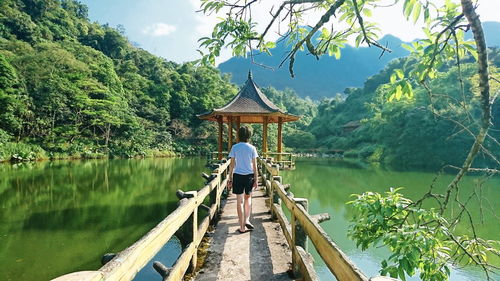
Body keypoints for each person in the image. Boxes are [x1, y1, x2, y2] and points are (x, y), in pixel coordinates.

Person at [227, 126, 259, 233]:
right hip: (249, 176)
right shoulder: (252, 148)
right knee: (248, 198)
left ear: (238, 135)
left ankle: (241, 227)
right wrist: (256, 179)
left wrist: (230, 178)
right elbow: (255, 166)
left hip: (238, 176)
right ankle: (247, 220)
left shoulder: (235, 147)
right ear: (249, 136)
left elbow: (231, 165)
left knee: (239, 201)